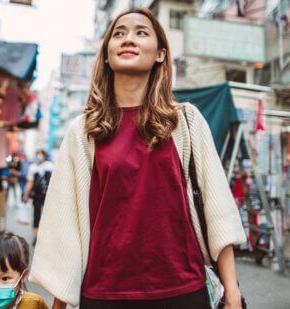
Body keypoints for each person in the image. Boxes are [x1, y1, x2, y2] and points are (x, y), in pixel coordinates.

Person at [29, 7, 246, 309]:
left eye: (141, 32)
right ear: (106, 54)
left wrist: (232, 294)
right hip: (103, 294)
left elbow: (217, 208)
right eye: (119, 33)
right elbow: (64, 226)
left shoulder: (186, 122)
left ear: (160, 53)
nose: (128, 39)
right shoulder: (83, 132)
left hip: (184, 291)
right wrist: (59, 305)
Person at [22, 150, 54, 240]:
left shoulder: (50, 166)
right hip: (36, 195)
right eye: (38, 155)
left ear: (44, 156)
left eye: (41, 155)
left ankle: (45, 235)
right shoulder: (32, 167)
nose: (39, 157)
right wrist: (25, 195)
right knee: (36, 216)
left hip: (48, 196)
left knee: (48, 215)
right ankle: (36, 237)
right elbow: (30, 182)